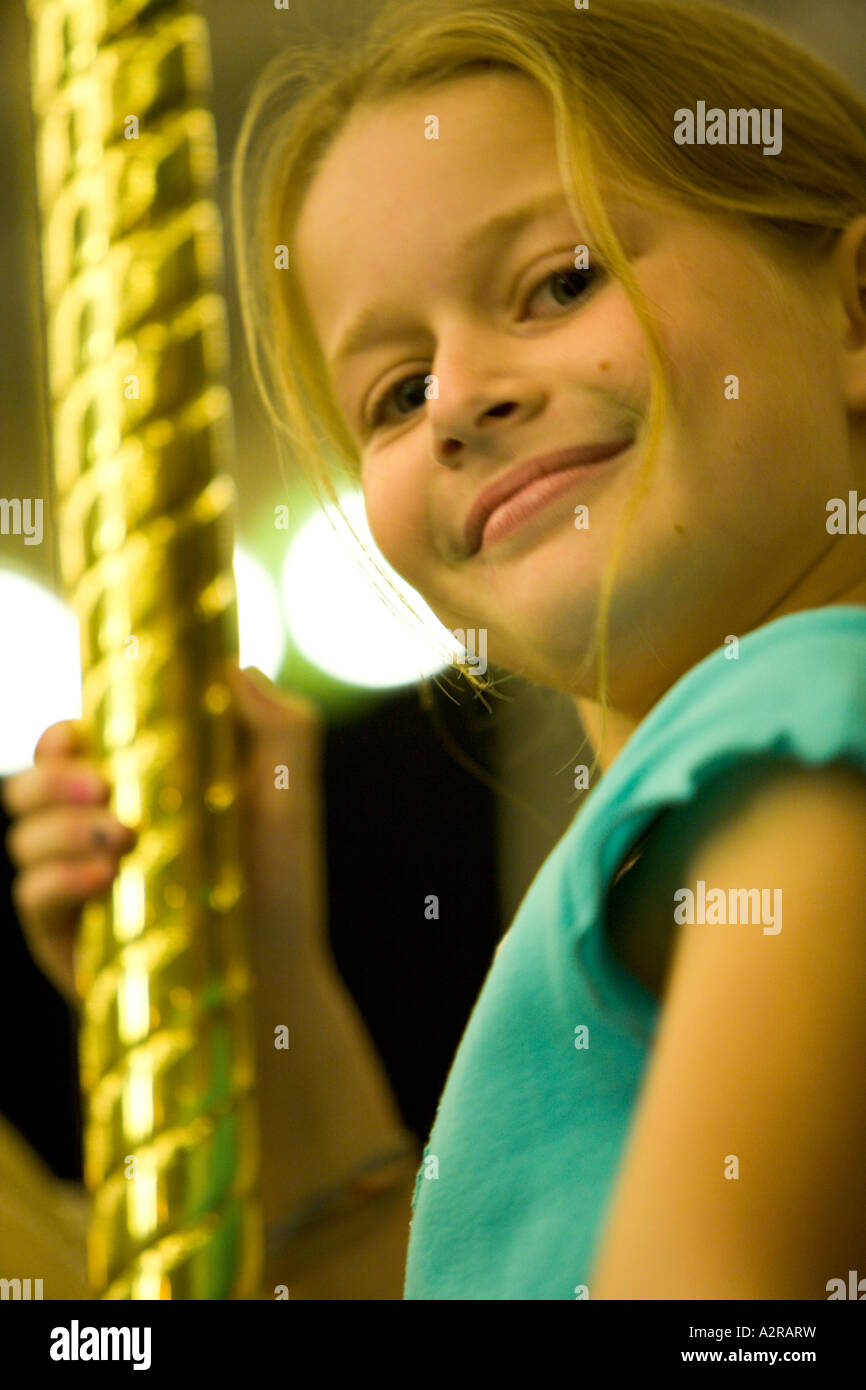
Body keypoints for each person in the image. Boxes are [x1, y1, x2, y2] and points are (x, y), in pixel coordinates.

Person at [6, 0, 866, 1298]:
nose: (459, 398)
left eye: (559, 282)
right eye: (397, 393)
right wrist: (257, 991)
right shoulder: (707, 798)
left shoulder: (801, 720)